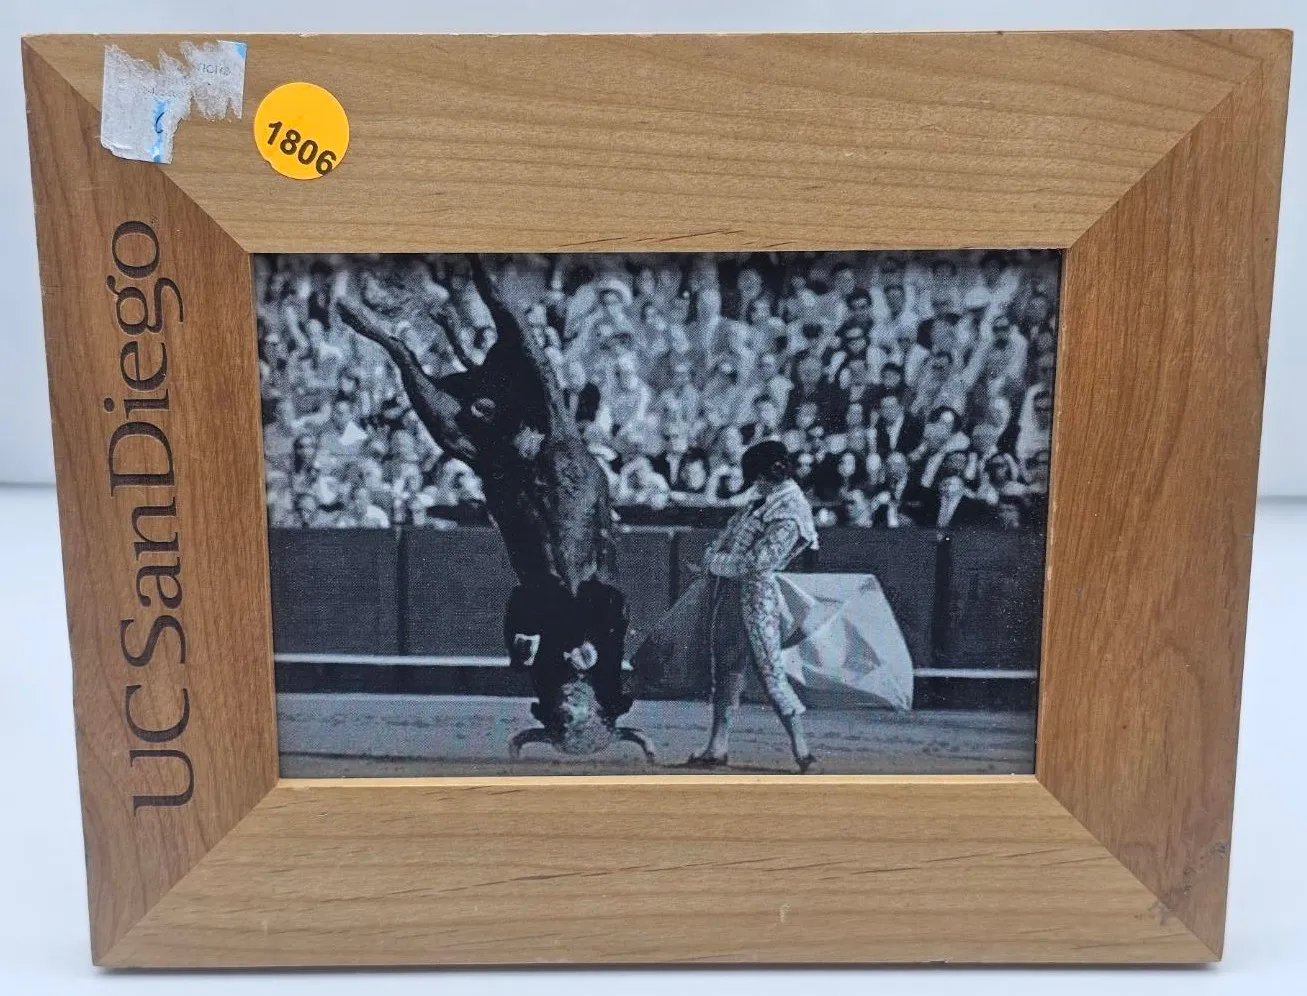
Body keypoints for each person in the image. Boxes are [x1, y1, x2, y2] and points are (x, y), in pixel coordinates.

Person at [688, 440, 820, 772]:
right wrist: (716, 558)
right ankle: (717, 746)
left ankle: (803, 752)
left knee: (770, 672)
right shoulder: (763, 501)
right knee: (727, 669)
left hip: (760, 599)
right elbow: (730, 541)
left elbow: (758, 564)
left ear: (765, 476)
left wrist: (712, 563)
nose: (754, 484)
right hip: (732, 595)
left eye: (757, 478)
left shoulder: (790, 510)